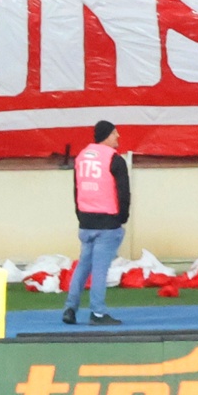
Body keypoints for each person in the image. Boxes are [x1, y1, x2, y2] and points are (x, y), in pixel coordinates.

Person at [60, 118, 130, 325]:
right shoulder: (114, 160)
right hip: (107, 221)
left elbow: (77, 189)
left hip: (86, 220)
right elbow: (123, 192)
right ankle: (97, 312)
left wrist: (80, 215)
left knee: (83, 265)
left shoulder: (82, 157)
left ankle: (70, 308)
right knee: (100, 268)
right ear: (106, 135)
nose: (118, 136)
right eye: (115, 132)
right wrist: (122, 217)